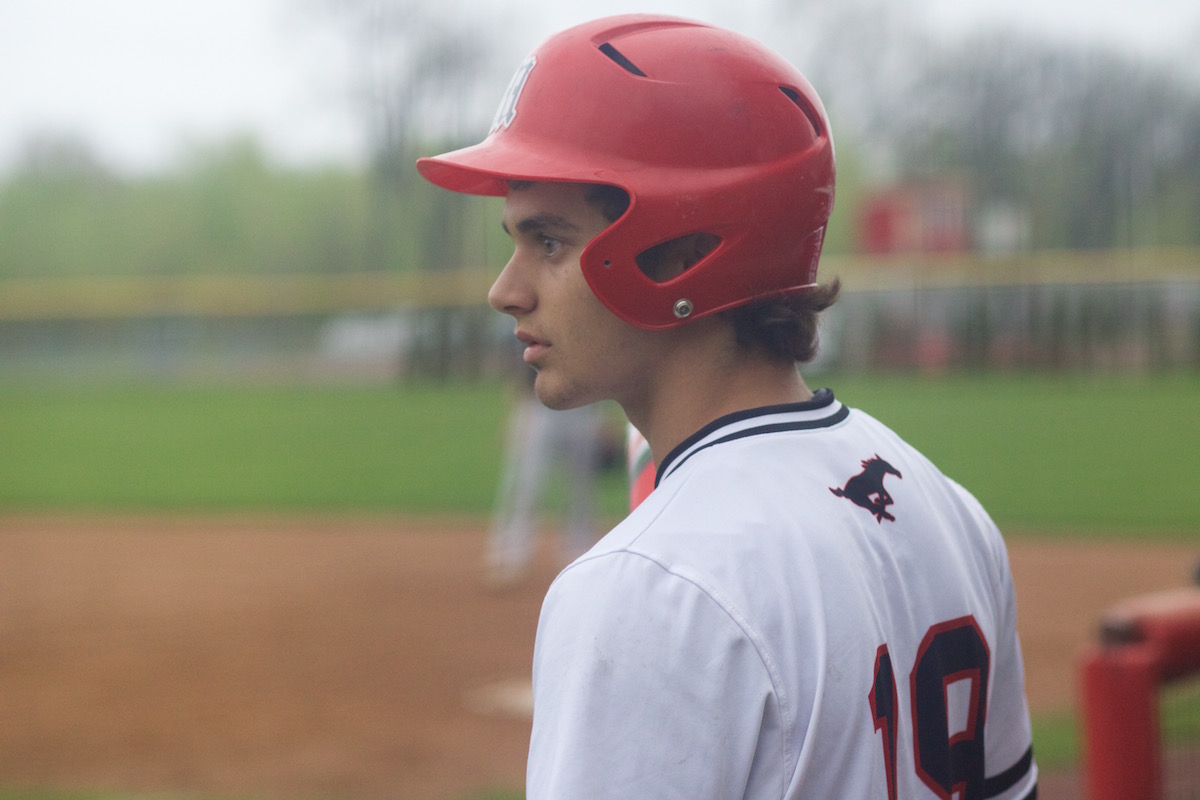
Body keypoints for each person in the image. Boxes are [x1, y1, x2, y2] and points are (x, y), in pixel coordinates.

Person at [417, 14, 1038, 799]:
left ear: (685, 252)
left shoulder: (646, 589)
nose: (504, 291)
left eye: (548, 242)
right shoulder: (949, 512)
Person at [487, 364, 603, 585]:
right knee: (526, 484)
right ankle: (510, 552)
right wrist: (518, 411)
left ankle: (580, 551)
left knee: (581, 487)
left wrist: (600, 416)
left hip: (582, 405)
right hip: (537, 404)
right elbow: (524, 358)